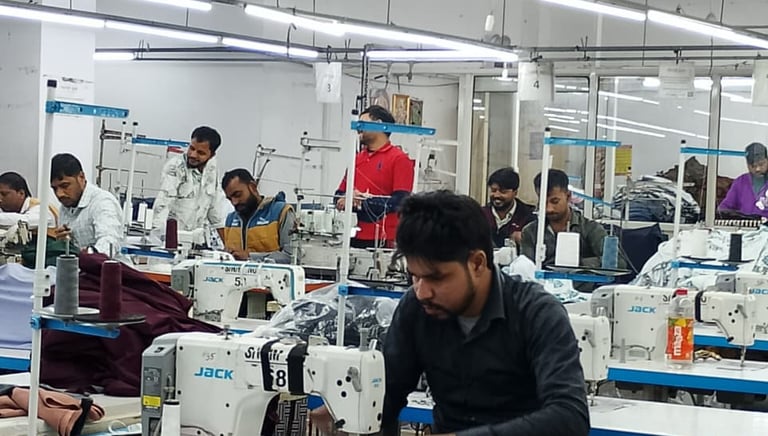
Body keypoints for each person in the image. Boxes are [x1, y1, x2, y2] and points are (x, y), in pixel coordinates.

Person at [312, 190, 589, 436]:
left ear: (477, 263)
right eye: (414, 277)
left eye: (435, 278)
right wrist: (349, 408)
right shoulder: (416, 309)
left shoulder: (537, 314)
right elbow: (389, 392)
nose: (422, 291)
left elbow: (569, 418)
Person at [335, 105, 414, 248]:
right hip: (353, 236)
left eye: (363, 123)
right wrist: (346, 199)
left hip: (385, 240)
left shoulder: (399, 159)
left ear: (379, 124)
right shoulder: (357, 159)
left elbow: (400, 202)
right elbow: (338, 194)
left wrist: (362, 200)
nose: (359, 128)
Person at [520, 169, 624, 271]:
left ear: (568, 196)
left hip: (582, 288)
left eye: (555, 201)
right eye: (543, 202)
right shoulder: (531, 232)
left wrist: (578, 264)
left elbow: (618, 263)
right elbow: (526, 269)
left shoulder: (590, 229)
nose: (549, 208)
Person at [152, 126, 226, 239]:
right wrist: (158, 240)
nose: (193, 155)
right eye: (191, 148)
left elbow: (215, 211)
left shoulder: (212, 170)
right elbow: (162, 205)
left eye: (200, 153)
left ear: (211, 155)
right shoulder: (175, 167)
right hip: (170, 239)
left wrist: (227, 244)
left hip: (195, 241)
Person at [50, 153, 123, 254]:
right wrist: (65, 244)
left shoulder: (102, 202)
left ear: (81, 177)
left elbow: (110, 242)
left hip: (109, 268)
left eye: (65, 186)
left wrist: (86, 255)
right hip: (79, 268)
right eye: (54, 188)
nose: (59, 194)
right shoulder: (65, 207)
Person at [221, 168, 295, 263]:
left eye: (238, 195)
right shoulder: (230, 220)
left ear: (252, 187)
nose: (234, 202)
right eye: (230, 199)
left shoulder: (281, 212)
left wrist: (250, 257)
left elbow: (292, 256)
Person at [482, 167, 535, 249]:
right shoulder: (480, 215)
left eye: (503, 192)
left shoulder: (528, 216)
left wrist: (525, 239)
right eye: (493, 190)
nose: (497, 195)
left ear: (515, 192)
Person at [718, 142, 768, 218]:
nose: (758, 169)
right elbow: (724, 208)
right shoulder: (740, 182)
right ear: (747, 165)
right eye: (753, 166)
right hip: (744, 228)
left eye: (761, 164)